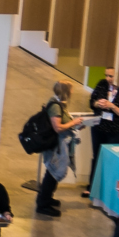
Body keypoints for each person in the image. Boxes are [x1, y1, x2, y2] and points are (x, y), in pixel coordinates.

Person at [35, 81, 86, 216]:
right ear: (65, 92)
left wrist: (75, 125)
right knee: (52, 173)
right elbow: (58, 128)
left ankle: (47, 198)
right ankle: (42, 204)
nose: (73, 93)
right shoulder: (56, 107)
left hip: (58, 145)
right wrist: (74, 122)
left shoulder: (59, 104)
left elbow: (64, 124)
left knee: (53, 173)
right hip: (55, 146)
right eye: (71, 90)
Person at [88, 67, 119, 188]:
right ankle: (92, 187)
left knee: (113, 161)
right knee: (97, 157)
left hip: (118, 131)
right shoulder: (102, 85)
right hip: (99, 128)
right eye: (106, 75)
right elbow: (91, 103)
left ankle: (110, 188)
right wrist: (98, 103)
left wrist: (111, 106)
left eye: (111, 76)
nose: (108, 79)